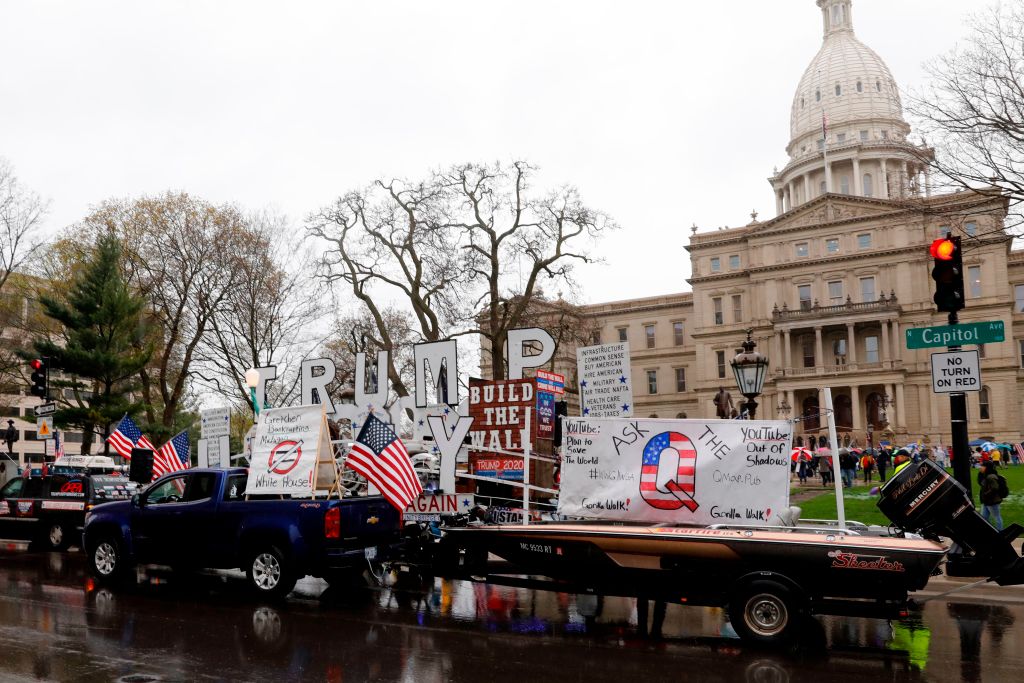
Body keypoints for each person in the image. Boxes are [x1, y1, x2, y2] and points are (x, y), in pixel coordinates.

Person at [979, 462, 1007, 531]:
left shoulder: (991, 476)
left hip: (992, 501)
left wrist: (986, 494)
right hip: (986, 501)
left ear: (987, 467)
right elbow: (980, 481)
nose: (981, 467)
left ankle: (1000, 532)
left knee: (997, 518)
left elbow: (995, 488)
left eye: (983, 466)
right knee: (984, 518)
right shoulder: (986, 475)